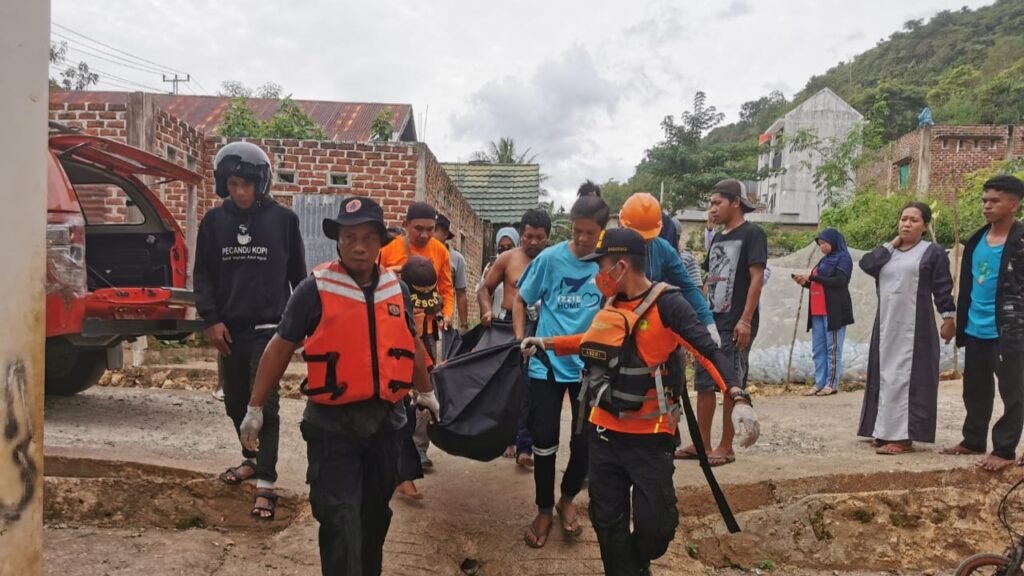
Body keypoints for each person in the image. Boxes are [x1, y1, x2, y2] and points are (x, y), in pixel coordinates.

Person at [520, 227, 760, 576]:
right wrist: (545, 343)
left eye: (600, 267)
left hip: (651, 439)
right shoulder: (610, 303)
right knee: (607, 522)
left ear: (620, 266)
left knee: (657, 526)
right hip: (603, 433)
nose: (597, 276)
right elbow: (590, 341)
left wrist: (738, 397)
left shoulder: (668, 305)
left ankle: (635, 564)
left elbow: (708, 352)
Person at [238, 195, 436, 575]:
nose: (358, 246)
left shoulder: (398, 289)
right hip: (333, 426)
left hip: (387, 423)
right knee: (340, 518)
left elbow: (410, 344)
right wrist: (255, 407)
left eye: (367, 237)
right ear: (338, 241)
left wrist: (426, 392)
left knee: (375, 516)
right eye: (348, 238)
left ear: (381, 241)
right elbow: (279, 348)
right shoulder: (314, 289)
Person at [194, 141, 307, 519]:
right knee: (235, 402)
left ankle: (267, 484)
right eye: (233, 184)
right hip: (229, 329)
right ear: (222, 183)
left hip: (271, 329)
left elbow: (298, 277)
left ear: (263, 183)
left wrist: (302, 324)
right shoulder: (213, 222)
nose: (240, 191)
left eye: (247, 184)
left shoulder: (284, 220)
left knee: (265, 405)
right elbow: (204, 275)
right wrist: (210, 319)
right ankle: (251, 459)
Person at [515, 195, 608, 548]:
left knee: (585, 441)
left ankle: (567, 499)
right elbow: (521, 299)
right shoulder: (552, 259)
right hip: (546, 363)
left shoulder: (607, 265)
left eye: (590, 233)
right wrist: (523, 340)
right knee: (544, 439)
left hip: (590, 366)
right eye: (577, 231)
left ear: (602, 231)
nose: (582, 239)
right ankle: (542, 508)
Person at [858, 202, 955, 456]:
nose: (906, 224)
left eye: (913, 220)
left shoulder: (932, 252)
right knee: (885, 375)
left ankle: (903, 437)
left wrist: (948, 318)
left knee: (909, 378)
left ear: (925, 226)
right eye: (903, 219)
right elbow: (867, 265)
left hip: (916, 327)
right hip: (887, 325)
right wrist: (892, 244)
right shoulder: (888, 253)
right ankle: (883, 430)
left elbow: (942, 287)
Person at [942, 175, 1024, 471]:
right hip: (975, 327)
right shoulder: (977, 239)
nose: (987, 206)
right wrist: (955, 320)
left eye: (995, 201)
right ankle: (973, 439)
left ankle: (1004, 450)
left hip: (1009, 330)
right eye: (984, 201)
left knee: (1013, 391)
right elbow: (967, 285)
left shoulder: (1020, 240)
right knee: (975, 388)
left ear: (1013, 204)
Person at [685, 179, 767, 467]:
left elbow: (757, 277)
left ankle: (725, 446)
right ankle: (702, 443)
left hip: (735, 322)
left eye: (717, 202)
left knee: (729, 383)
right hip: (712, 321)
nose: (712, 208)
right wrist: (701, 317)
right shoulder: (719, 238)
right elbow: (711, 277)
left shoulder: (753, 234)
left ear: (735, 203)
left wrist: (745, 320)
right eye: (710, 203)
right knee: (705, 382)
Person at [378, 201, 454, 496]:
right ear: (406, 225)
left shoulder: (440, 252)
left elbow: (446, 289)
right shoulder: (388, 252)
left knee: (426, 392)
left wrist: (447, 314)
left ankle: (419, 449)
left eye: (430, 229)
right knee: (396, 394)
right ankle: (396, 462)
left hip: (427, 334)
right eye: (418, 229)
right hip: (393, 332)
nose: (424, 235)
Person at [478, 209, 551, 465]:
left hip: (543, 326)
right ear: (522, 234)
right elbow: (485, 289)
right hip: (509, 325)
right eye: (528, 236)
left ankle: (525, 447)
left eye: (539, 237)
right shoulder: (508, 259)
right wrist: (487, 311)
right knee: (512, 384)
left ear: (547, 238)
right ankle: (510, 440)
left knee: (536, 387)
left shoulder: (553, 262)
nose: (533, 242)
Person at [618, 192, 721, 345]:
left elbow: (687, 286)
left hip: (651, 321)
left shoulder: (663, 249)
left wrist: (708, 322)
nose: (643, 242)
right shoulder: (611, 249)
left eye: (647, 239)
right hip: (618, 321)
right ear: (622, 225)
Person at [791, 228, 855, 396]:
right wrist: (804, 282)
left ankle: (831, 383)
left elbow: (840, 281)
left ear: (834, 242)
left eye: (824, 243)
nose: (822, 247)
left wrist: (812, 278)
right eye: (820, 244)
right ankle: (819, 382)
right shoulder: (824, 261)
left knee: (832, 348)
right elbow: (818, 284)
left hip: (834, 310)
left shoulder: (844, 258)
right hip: (818, 310)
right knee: (818, 349)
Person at [477, 226, 521, 323]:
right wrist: (485, 278)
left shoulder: (522, 265)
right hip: (496, 320)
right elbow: (482, 291)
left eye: (509, 247)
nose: (505, 251)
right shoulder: (492, 266)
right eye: (502, 247)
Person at [434, 214, 469, 331]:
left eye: (433, 229)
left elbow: (460, 293)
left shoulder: (456, 259)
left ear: (445, 234)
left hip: (443, 318)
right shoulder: (421, 254)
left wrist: (464, 325)